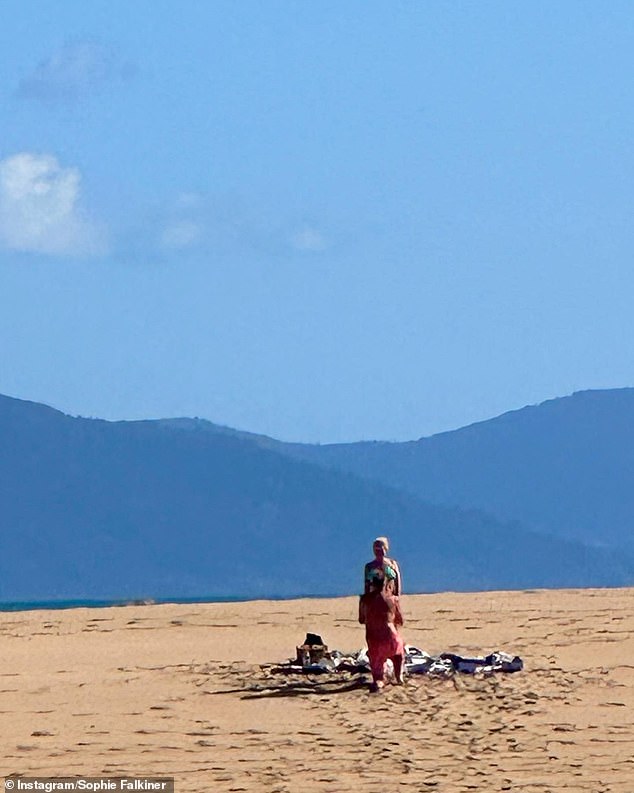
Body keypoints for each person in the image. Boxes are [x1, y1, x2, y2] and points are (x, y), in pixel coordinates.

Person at [359, 569, 404, 692]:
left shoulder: (364, 600)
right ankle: (399, 677)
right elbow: (400, 620)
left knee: (378, 671)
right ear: (385, 583)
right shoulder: (393, 599)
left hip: (374, 641)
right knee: (398, 653)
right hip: (390, 638)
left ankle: (379, 682)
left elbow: (361, 619)